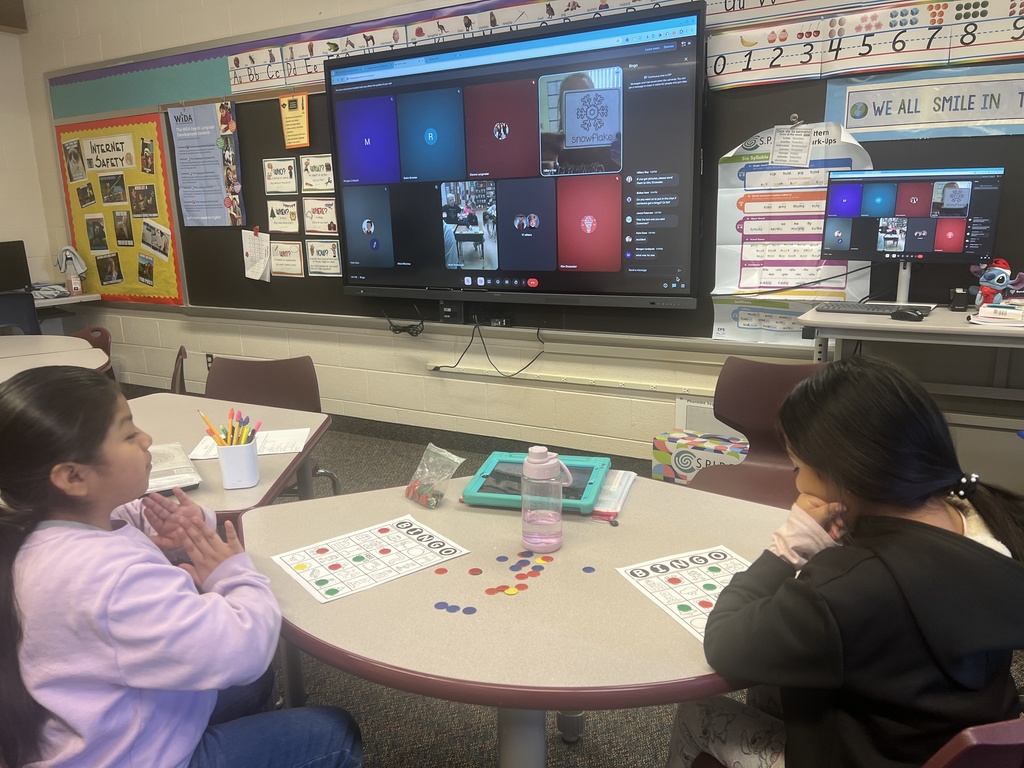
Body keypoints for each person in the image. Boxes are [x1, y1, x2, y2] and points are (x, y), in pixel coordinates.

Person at [667, 356, 1024, 768]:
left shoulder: (844, 589)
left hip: (867, 751)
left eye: (799, 468)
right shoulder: (992, 522)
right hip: (943, 735)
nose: (797, 483)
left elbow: (725, 641)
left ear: (842, 476)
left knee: (699, 713)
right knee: (770, 684)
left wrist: (786, 550)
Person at [0, 367, 363, 768]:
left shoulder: (35, 524)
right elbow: (245, 647)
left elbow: (130, 517)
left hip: (97, 716)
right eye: (128, 433)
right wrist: (231, 573)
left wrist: (190, 527)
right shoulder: (108, 578)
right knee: (333, 732)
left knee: (254, 682)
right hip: (133, 756)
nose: (147, 439)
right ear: (73, 477)